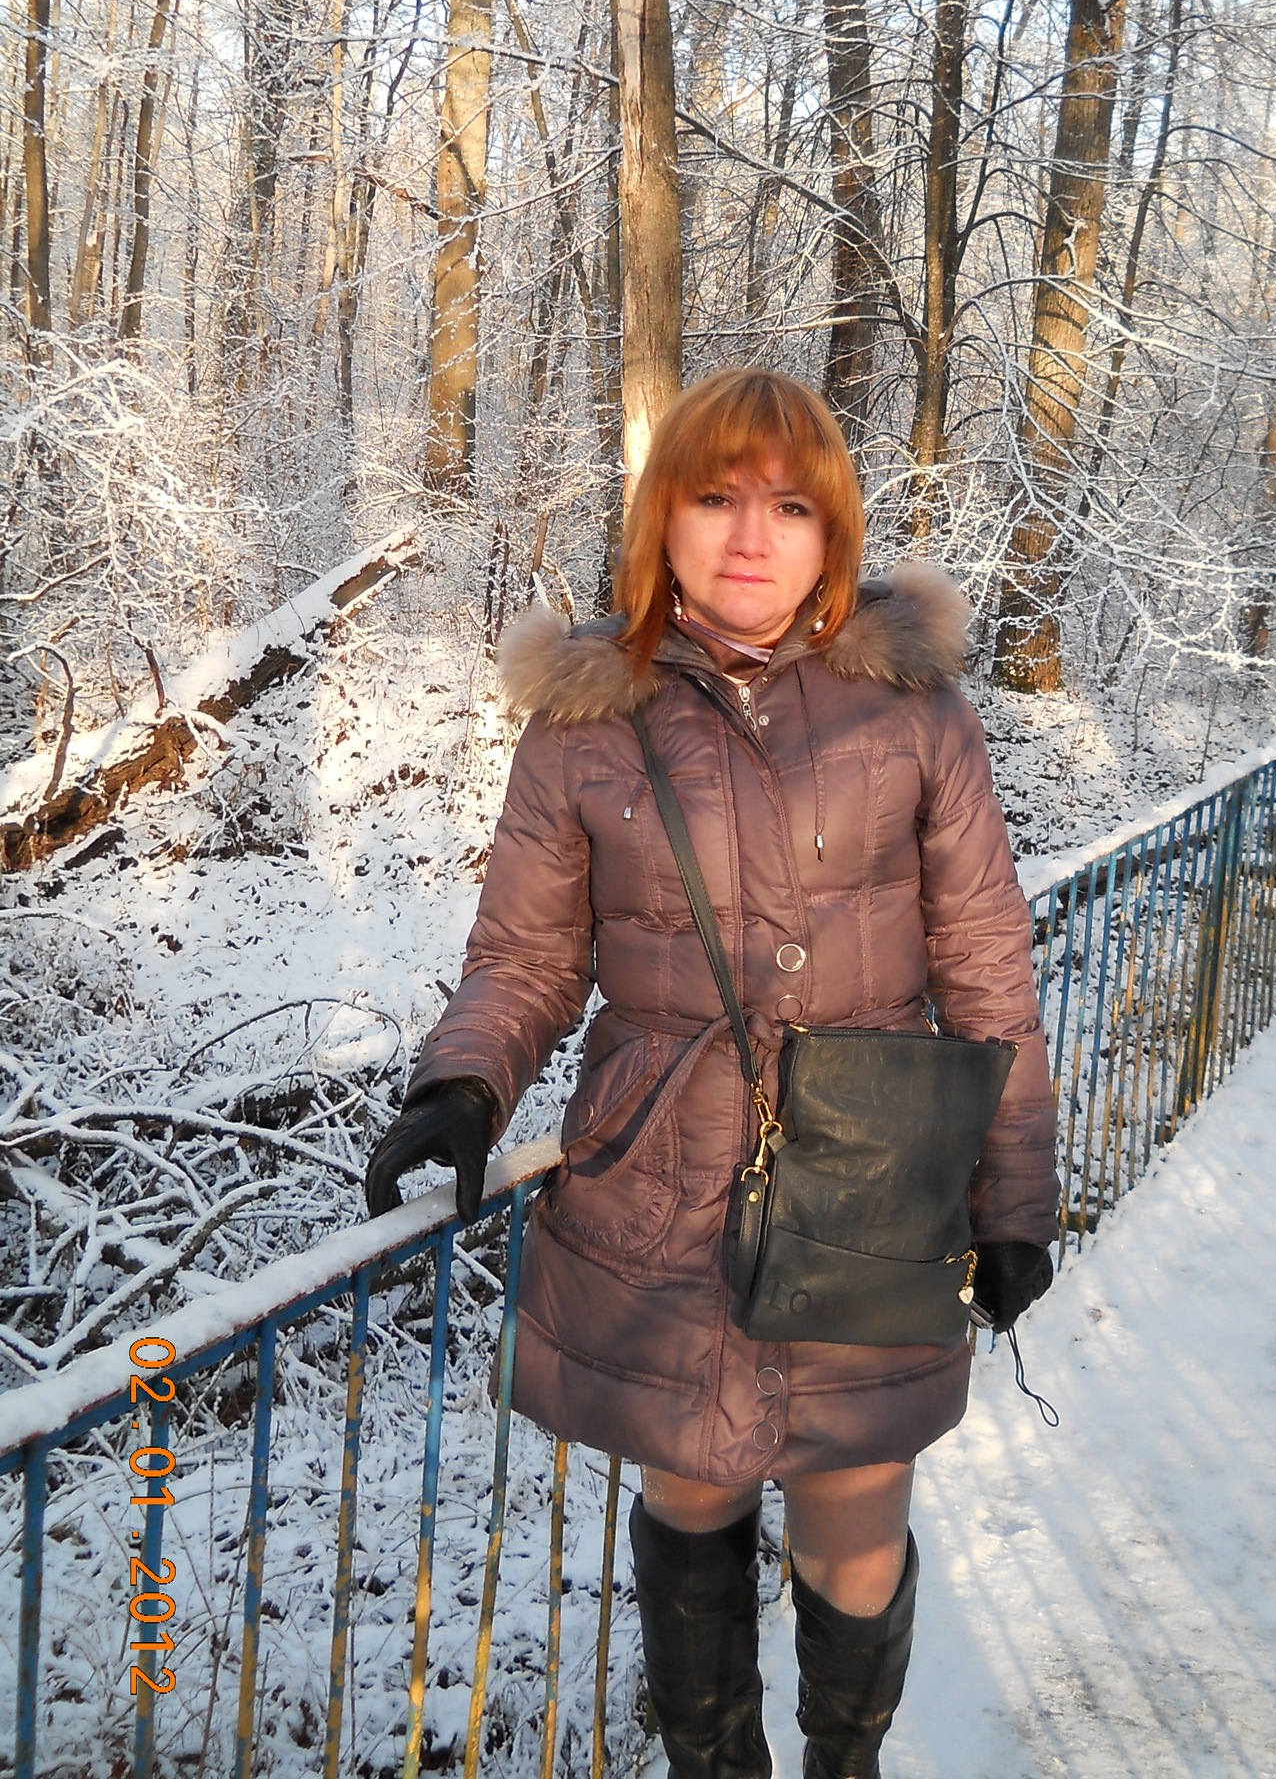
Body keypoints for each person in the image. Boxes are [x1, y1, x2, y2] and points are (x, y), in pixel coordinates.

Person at [366, 369, 1060, 1779]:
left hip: (873, 1176)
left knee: (855, 1505)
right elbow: (526, 957)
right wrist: (464, 1084)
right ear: (661, 523)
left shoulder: (913, 708)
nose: (752, 537)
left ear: (834, 531)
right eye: (716, 499)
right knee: (692, 1490)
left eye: (791, 507)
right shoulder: (588, 720)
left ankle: (845, 1762)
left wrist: (1013, 1198)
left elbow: (988, 963)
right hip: (665, 1182)